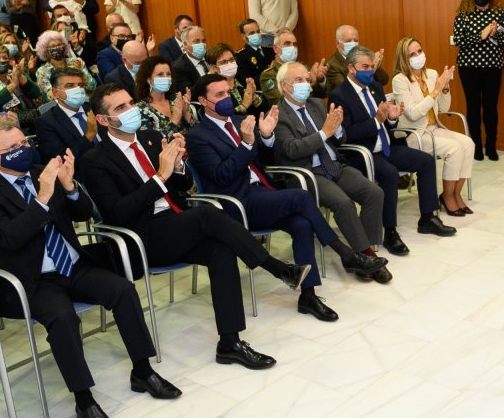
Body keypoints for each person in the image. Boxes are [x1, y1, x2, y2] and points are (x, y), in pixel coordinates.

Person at [0, 121, 181, 418]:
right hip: (34, 279)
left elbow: (84, 215)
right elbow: (8, 238)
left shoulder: (46, 171)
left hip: (72, 265)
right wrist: (42, 198)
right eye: (11, 149)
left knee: (122, 290)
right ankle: (85, 401)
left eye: (23, 144)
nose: (22, 151)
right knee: (63, 318)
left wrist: (69, 188)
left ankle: (143, 371)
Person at [81, 84, 307, 362]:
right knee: (207, 213)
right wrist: (160, 177)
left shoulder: (151, 138)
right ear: (104, 120)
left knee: (221, 250)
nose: (131, 111)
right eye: (120, 108)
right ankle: (277, 268)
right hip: (142, 237)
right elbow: (117, 213)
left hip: (175, 223)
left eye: (130, 103)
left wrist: (177, 168)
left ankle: (229, 343)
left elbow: (183, 187)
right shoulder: (94, 161)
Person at [186, 74, 385, 320]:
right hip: (236, 203)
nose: (226, 98)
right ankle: (346, 253)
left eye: (228, 93)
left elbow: (268, 162)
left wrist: (267, 137)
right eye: (219, 95)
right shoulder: (197, 137)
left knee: (302, 224)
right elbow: (222, 176)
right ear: (203, 102)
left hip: (263, 194)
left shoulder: (240, 121)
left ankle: (308, 296)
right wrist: (247, 145)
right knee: (301, 197)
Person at [331, 46, 456, 262]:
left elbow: (388, 122)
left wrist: (391, 117)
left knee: (426, 161)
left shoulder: (376, 87)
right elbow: (347, 134)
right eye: (364, 67)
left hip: (388, 146)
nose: (370, 71)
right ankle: (390, 231)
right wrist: (377, 120)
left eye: (371, 67)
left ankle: (428, 218)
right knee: (389, 174)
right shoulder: (340, 95)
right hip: (364, 154)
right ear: (351, 68)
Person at [271, 65, 391, 279]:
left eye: (307, 79)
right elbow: (291, 149)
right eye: (298, 80)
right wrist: (324, 133)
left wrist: (338, 128)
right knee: (344, 203)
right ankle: (365, 256)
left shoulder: (317, 104)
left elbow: (339, 140)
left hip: (334, 164)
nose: (305, 84)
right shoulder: (278, 114)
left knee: (374, 192)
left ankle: (364, 249)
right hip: (308, 172)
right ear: (284, 86)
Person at [391, 37, 474, 215]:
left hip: (434, 128)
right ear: (404, 58)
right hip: (414, 134)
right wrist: (435, 90)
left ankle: (454, 194)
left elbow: (444, 108)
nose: (417, 56)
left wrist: (444, 88)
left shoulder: (432, 74)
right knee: (455, 148)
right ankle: (448, 198)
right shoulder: (400, 80)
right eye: (411, 54)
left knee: (468, 143)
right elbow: (412, 114)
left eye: (419, 51)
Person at [452, 0, 504, 161]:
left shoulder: (500, 12)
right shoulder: (463, 15)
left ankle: (491, 146)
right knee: (473, 107)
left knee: (490, 107)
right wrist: (482, 34)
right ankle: (476, 146)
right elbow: (459, 41)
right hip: (468, 68)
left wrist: (496, 34)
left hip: (493, 67)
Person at [35, 67, 99, 161]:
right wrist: (89, 135)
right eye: (70, 86)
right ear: (56, 93)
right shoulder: (46, 123)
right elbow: (61, 161)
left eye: (80, 85)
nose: (77, 89)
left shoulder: (95, 107)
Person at [0, 42, 42, 127]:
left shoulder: (14, 72)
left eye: (5, 58)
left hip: (30, 118)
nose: (2, 60)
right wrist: (13, 85)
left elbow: (36, 93)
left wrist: (21, 77)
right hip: (4, 125)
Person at [260, 29, 328, 105]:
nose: (292, 47)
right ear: (276, 48)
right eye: (287, 44)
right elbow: (279, 101)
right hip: (287, 115)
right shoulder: (269, 75)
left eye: (295, 44)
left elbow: (322, 95)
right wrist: (309, 86)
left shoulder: (304, 68)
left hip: (311, 112)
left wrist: (319, 80)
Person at [134, 55, 195, 138]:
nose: (166, 78)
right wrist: (175, 120)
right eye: (160, 74)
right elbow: (152, 143)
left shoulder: (176, 100)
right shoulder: (140, 110)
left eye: (168, 74)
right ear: (148, 80)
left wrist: (186, 113)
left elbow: (198, 132)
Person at [205, 43, 264, 117]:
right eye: (223, 62)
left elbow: (261, 112)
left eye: (231, 60)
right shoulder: (215, 91)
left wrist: (254, 98)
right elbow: (225, 118)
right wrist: (244, 105)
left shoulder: (242, 79)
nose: (229, 64)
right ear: (214, 68)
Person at [34, 30, 96, 100]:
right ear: (45, 51)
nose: (57, 48)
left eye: (59, 44)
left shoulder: (77, 61)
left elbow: (93, 86)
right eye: (53, 46)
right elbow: (51, 97)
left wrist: (81, 73)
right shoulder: (42, 72)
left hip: (85, 101)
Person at [325, 24, 387, 92]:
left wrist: (376, 66)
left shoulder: (364, 57)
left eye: (355, 40)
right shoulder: (332, 65)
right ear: (337, 43)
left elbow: (384, 81)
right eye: (348, 41)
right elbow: (347, 89)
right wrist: (372, 70)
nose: (353, 43)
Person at [234, 19, 273, 83]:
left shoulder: (269, 50)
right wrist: (269, 73)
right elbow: (247, 81)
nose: (257, 35)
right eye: (252, 33)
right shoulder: (240, 56)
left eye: (258, 32)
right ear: (244, 36)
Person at [172, 25, 210, 90]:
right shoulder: (179, 68)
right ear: (185, 44)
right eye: (196, 41)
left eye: (203, 41)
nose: (201, 44)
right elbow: (189, 94)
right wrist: (210, 75)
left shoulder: (211, 57)